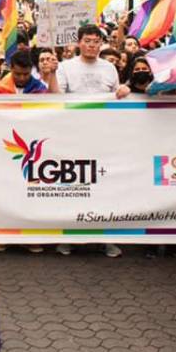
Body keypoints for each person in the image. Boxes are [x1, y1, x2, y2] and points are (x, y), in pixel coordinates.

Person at [52, 25, 126, 258]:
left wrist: (124, 92)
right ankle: (69, 238)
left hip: (104, 137)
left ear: (101, 44)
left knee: (104, 188)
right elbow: (56, 99)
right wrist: (51, 75)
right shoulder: (65, 67)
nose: (92, 45)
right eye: (87, 41)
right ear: (79, 42)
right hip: (73, 136)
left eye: (96, 41)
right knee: (74, 187)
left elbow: (119, 96)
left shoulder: (110, 68)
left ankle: (106, 239)